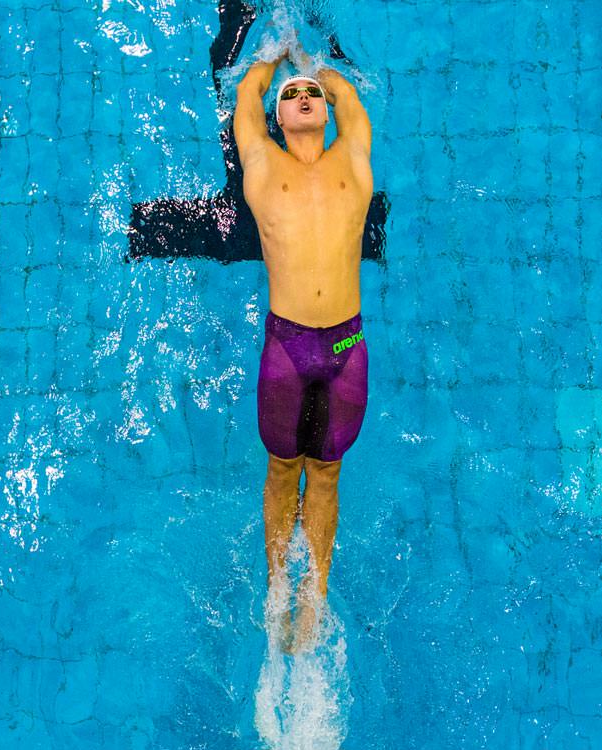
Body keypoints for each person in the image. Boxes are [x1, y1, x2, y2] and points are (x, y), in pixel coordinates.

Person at [233, 55, 373, 650]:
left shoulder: (354, 160)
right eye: (294, 95)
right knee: (283, 468)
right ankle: (276, 590)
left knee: (327, 473)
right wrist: (272, 62)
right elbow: (246, 93)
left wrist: (316, 65)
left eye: (313, 92)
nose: (308, 96)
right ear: (280, 117)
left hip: (346, 345)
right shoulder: (264, 166)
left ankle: (311, 600)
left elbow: (349, 100)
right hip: (287, 348)